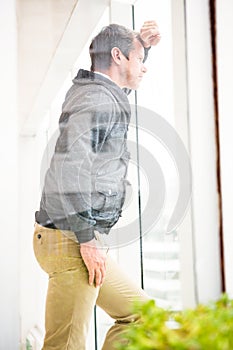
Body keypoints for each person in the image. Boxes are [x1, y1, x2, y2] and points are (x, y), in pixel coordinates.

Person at [33, 20, 161, 350]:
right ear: (118, 57)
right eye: (138, 59)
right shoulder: (96, 101)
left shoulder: (99, 94)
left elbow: (123, 86)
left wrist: (145, 48)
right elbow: (68, 173)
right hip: (71, 239)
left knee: (140, 315)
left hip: (75, 237)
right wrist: (87, 241)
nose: (143, 67)